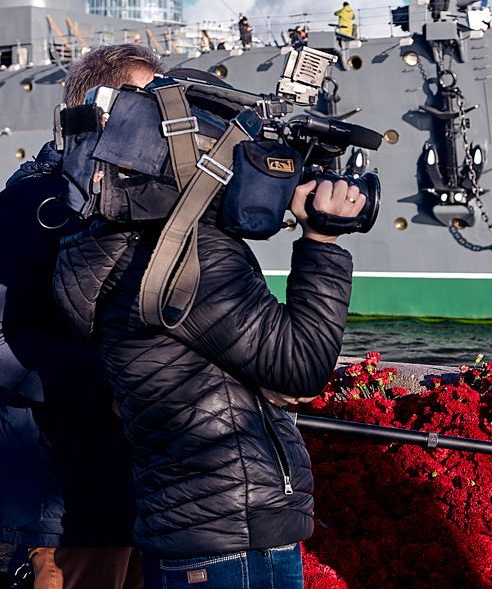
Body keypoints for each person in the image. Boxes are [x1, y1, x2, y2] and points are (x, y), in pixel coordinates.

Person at [52, 87, 369, 587]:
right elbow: (304, 365)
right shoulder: (189, 255)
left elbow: (189, 363)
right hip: (233, 537)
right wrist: (322, 239)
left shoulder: (114, 244)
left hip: (189, 529)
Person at [0, 44, 163, 589]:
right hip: (63, 510)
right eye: (150, 105)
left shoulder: (138, 206)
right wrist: (112, 387)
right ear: (101, 109)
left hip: (138, 501)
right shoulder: (32, 206)